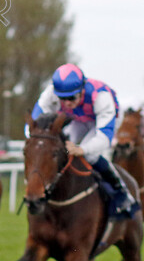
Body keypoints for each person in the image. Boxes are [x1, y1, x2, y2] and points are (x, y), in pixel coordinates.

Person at [31, 63, 137, 217]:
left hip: (103, 121)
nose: (67, 103)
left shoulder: (101, 97)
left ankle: (121, 191)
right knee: (63, 150)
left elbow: (104, 139)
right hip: (78, 119)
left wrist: (82, 149)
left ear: (82, 89)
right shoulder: (51, 93)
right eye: (62, 98)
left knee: (90, 155)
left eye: (71, 97)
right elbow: (34, 124)